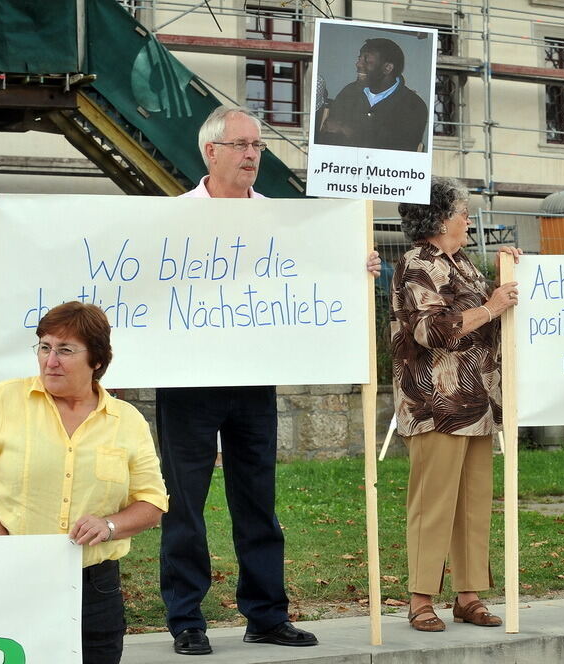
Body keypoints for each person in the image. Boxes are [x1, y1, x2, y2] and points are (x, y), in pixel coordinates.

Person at [159, 105, 381, 655]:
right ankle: (186, 618)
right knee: (184, 502)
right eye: (241, 145)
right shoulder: (171, 218)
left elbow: (314, 273)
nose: (253, 154)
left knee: (258, 499)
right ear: (210, 152)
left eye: (257, 145)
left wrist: (357, 265)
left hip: (254, 379)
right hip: (188, 381)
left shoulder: (280, 220)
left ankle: (266, 613)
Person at [0, 301, 168, 664]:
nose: (51, 361)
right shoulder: (6, 399)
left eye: (65, 350)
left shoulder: (127, 422)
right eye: (45, 347)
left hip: (94, 587)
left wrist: (109, 525)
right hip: (13, 575)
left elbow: (152, 504)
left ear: (96, 359)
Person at [392, 176, 521, 632]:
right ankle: (420, 599)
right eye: (463, 213)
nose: (468, 220)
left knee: (473, 503)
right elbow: (432, 331)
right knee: (433, 503)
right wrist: (491, 307)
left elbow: (493, 308)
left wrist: (510, 273)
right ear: (441, 218)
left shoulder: (463, 264)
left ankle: (468, 596)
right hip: (435, 404)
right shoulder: (416, 265)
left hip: (476, 402)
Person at [316, 38, 429, 152]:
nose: (358, 64)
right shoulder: (348, 92)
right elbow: (328, 137)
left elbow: (399, 151)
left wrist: (346, 130)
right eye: (359, 58)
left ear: (387, 68)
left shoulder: (414, 105)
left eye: (366, 60)